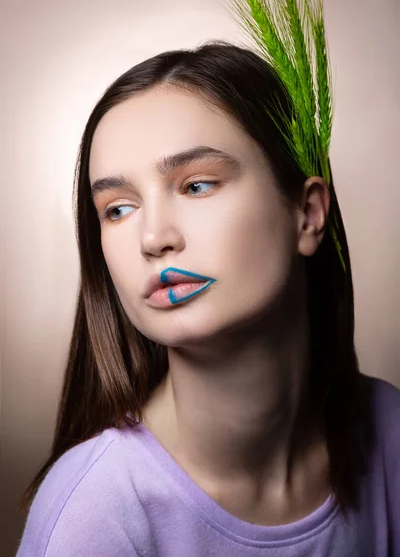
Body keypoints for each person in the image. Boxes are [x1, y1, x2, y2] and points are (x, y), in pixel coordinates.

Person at [15, 38, 400, 557]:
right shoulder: (94, 516)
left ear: (307, 213)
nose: (154, 238)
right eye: (118, 209)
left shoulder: (390, 433)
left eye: (197, 186)